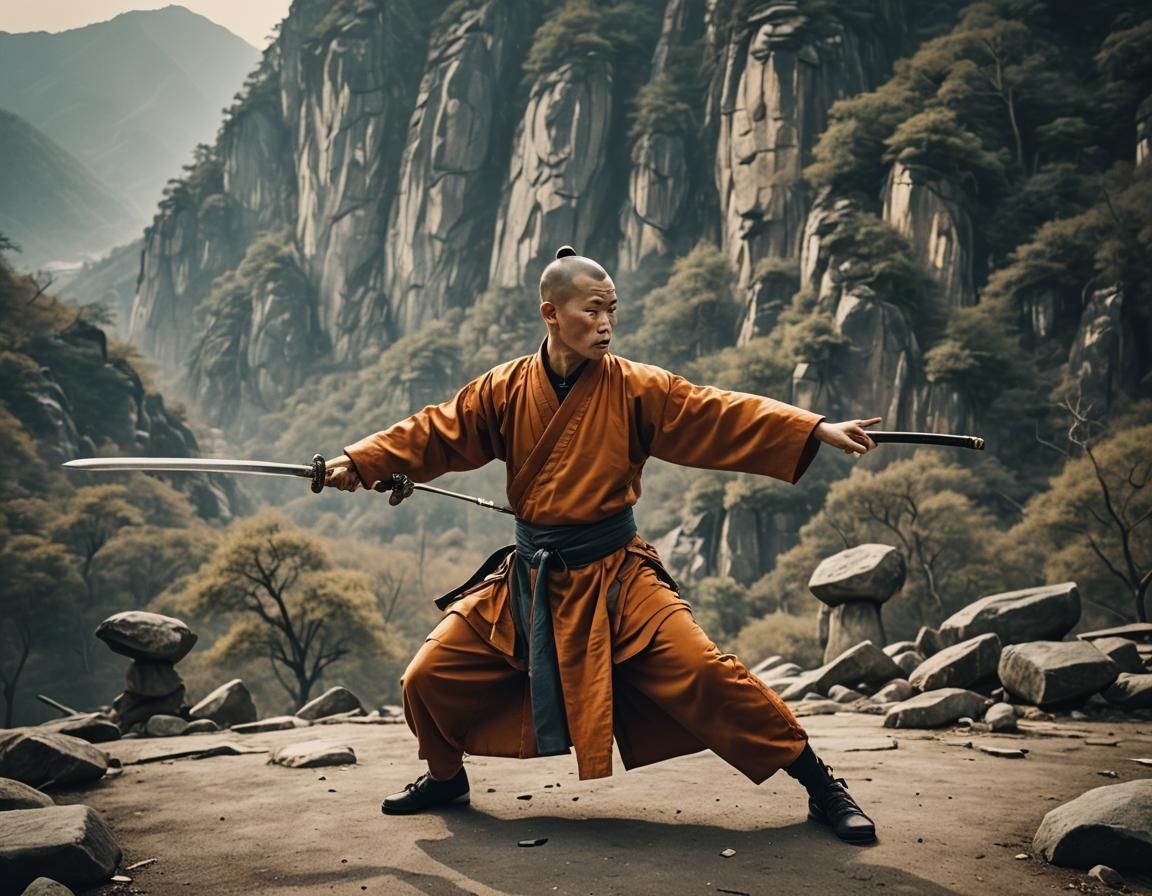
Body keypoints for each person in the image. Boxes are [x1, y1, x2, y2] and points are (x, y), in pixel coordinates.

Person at [325, 247, 882, 843]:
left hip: (616, 573)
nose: (607, 324)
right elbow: (435, 430)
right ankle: (444, 777)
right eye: (593, 312)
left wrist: (811, 427)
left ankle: (822, 785)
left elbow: (716, 411)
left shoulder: (638, 387)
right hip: (531, 577)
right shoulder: (505, 388)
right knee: (428, 676)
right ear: (551, 312)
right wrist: (359, 460)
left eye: (613, 311)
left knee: (704, 673)